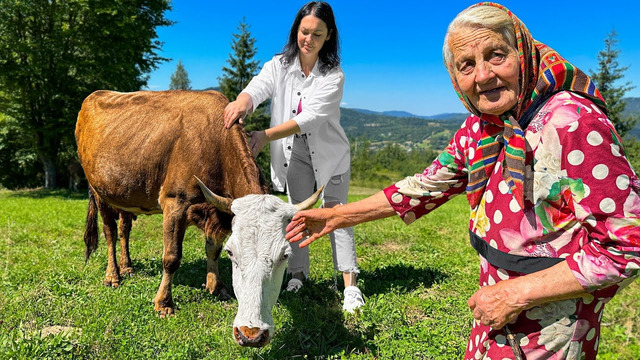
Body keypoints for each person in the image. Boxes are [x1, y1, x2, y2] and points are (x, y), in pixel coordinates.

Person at [286, 2, 640, 358]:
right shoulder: (483, 126)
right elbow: (424, 186)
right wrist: (336, 216)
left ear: (524, 53)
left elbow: (627, 246)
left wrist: (515, 294)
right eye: (466, 65)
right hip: (493, 307)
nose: (483, 75)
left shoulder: (573, 123)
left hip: (554, 323)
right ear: (455, 78)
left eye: (496, 55)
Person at [223, 1, 364, 313]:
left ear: (328, 36)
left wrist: (264, 135)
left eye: (317, 33)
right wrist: (242, 101)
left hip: (330, 155)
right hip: (293, 154)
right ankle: (298, 274)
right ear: (296, 30)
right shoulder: (279, 64)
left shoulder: (333, 76)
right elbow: (259, 86)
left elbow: (311, 117)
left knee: (336, 215)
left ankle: (350, 285)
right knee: (297, 217)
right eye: (304, 31)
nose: (308, 39)